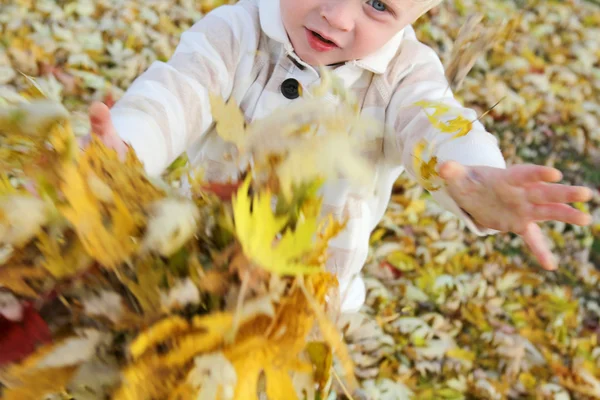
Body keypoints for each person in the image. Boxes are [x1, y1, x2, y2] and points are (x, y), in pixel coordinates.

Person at [87, 0, 593, 312]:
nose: (336, 15)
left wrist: (480, 178)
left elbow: (438, 125)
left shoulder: (402, 77)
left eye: (377, 4)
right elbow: (177, 92)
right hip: (190, 270)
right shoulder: (237, 33)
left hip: (307, 306)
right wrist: (126, 146)